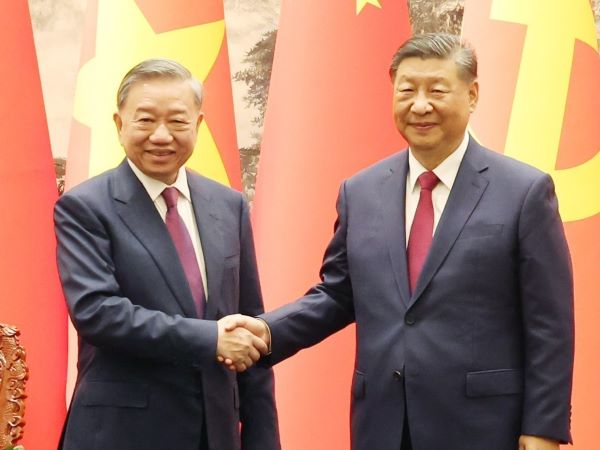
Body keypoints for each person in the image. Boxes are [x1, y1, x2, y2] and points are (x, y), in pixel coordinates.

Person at [222, 33, 574, 450]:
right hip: (384, 425)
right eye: (407, 91)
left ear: (472, 95)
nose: (420, 105)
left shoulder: (523, 192)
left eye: (436, 91)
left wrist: (544, 427)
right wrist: (267, 331)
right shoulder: (360, 191)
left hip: (484, 428)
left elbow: (549, 323)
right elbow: (338, 294)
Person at [54, 59, 279, 450]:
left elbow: (249, 325)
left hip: (215, 434)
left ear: (198, 125)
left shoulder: (228, 206)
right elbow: (98, 313)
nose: (161, 136)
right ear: (119, 124)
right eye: (145, 120)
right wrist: (210, 338)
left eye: (177, 121)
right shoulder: (84, 207)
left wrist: (263, 438)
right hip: (121, 434)